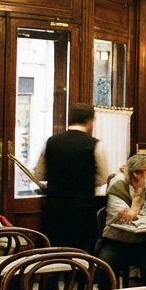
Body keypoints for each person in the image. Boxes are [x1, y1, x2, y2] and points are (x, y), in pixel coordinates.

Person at [33, 102, 109, 253]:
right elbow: (103, 178)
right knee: (81, 254)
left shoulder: (51, 142)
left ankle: (54, 276)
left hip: (54, 208)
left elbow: (39, 175)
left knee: (52, 254)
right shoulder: (95, 145)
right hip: (82, 208)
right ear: (90, 121)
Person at [97, 152, 146, 285]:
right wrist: (136, 204)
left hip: (143, 243)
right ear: (136, 173)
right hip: (117, 242)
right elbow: (123, 219)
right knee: (105, 262)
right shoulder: (118, 190)